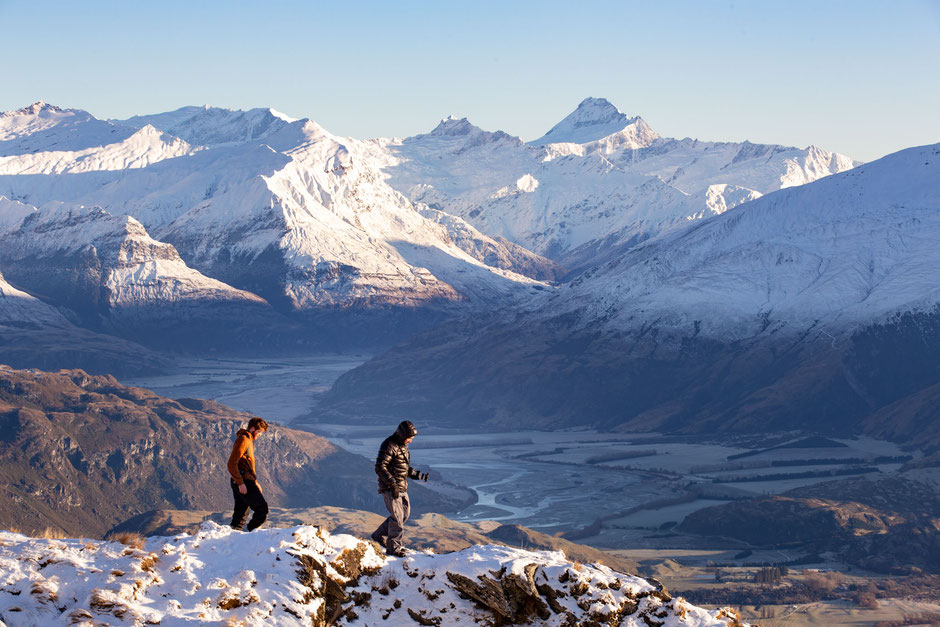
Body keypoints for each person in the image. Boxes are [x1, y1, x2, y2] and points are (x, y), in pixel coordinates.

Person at [370, 420, 428, 557]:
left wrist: (417, 475)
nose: (411, 441)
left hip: (401, 487)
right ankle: (394, 549)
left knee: (405, 515)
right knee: (397, 518)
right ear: (402, 435)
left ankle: (378, 535)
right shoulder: (389, 445)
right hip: (391, 488)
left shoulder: (402, 446)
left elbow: (402, 467)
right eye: (409, 438)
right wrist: (392, 484)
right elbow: (380, 467)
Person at [227, 417, 269, 531]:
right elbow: (231, 463)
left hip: (244, 480)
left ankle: (231, 538)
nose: (260, 435)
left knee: (240, 515)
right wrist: (240, 483)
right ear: (252, 428)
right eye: (259, 432)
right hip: (243, 480)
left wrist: (255, 482)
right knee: (262, 509)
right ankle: (249, 532)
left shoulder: (249, 440)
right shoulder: (244, 440)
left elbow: (247, 465)